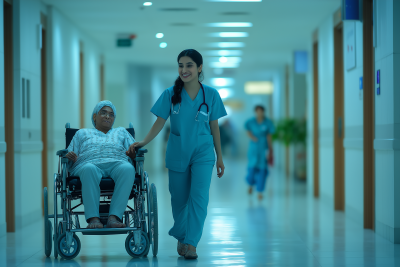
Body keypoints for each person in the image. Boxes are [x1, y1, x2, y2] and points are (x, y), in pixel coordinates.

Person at [129, 49, 227, 259]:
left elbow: (215, 127)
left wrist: (219, 156)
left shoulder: (211, 94)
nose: (184, 70)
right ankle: (182, 236)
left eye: (189, 65)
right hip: (177, 151)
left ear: (199, 68)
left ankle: (191, 243)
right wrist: (144, 141)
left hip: (203, 152)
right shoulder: (169, 94)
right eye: (181, 65)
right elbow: (159, 122)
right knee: (179, 200)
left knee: (199, 198)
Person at [65, 100, 137, 229]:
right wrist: (69, 156)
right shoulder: (82, 133)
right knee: (89, 169)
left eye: (111, 114)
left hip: (118, 163)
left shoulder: (121, 132)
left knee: (128, 168)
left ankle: (114, 218)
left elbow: (135, 152)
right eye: (103, 113)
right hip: (88, 164)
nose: (107, 116)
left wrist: (133, 155)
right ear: (94, 116)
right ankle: (93, 219)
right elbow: (71, 155)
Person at [245, 105, 275, 200]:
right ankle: (250, 184)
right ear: (255, 112)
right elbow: (247, 131)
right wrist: (252, 137)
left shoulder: (268, 123)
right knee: (251, 169)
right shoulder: (251, 122)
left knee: (262, 170)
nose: (259, 113)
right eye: (257, 111)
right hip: (253, 148)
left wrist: (270, 149)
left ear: (263, 112)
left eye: (261, 111)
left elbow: (269, 136)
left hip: (263, 148)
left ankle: (260, 191)